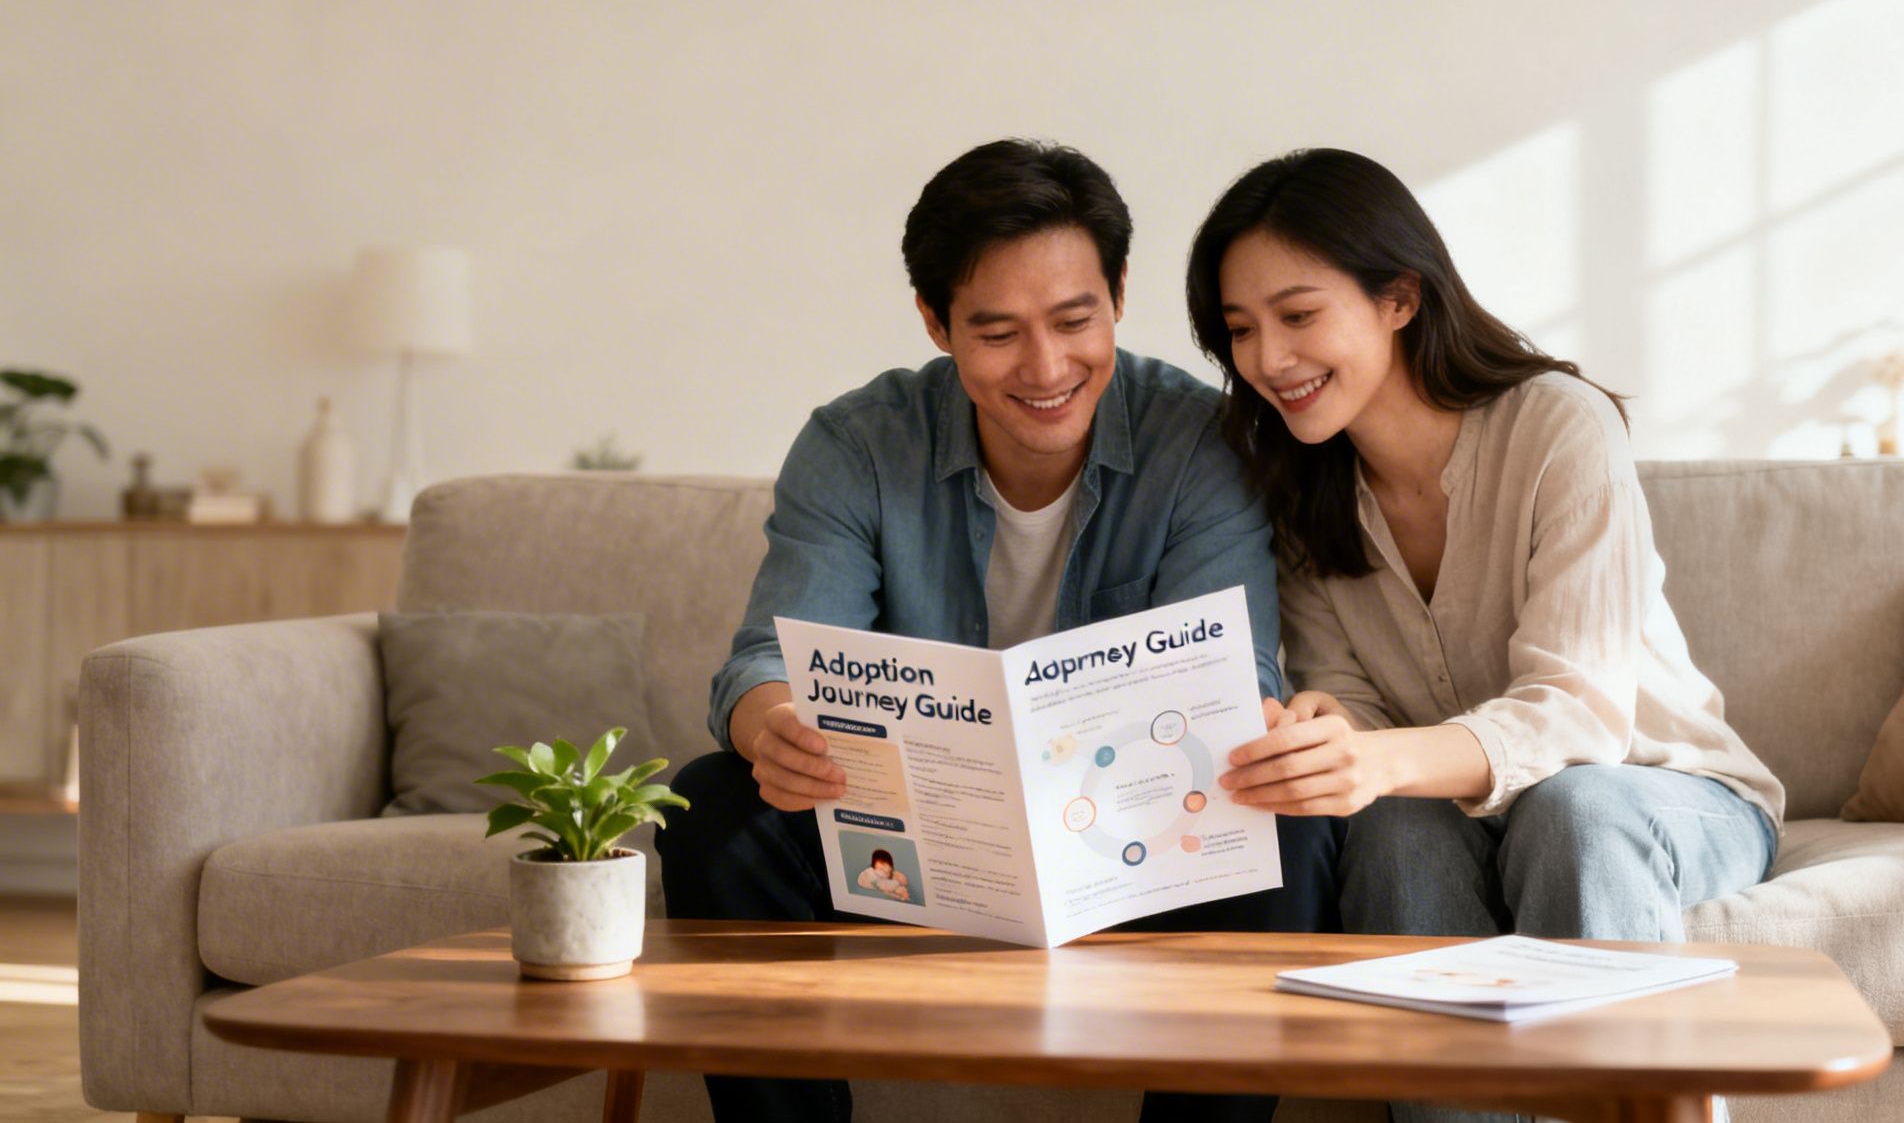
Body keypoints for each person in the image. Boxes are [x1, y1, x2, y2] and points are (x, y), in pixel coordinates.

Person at [657, 138, 1343, 1123]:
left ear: (1116, 294)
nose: (1045, 367)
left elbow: (1229, 674)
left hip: (1131, 822)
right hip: (916, 828)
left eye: (1074, 319)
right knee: (714, 804)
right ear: (935, 323)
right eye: (996, 332)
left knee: (1288, 819)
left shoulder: (1199, 440)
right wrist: (773, 727)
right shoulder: (857, 444)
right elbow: (765, 659)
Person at [1184, 148, 1784, 1123]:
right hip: (1450, 806)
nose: (1267, 360)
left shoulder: (1559, 426)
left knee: (1572, 810)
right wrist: (1326, 734)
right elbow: (1354, 700)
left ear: (1399, 299)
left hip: (1665, 794)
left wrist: (1374, 757)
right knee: (1386, 833)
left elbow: (1579, 715)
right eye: (1240, 329)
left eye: (1297, 316)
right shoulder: (1295, 486)